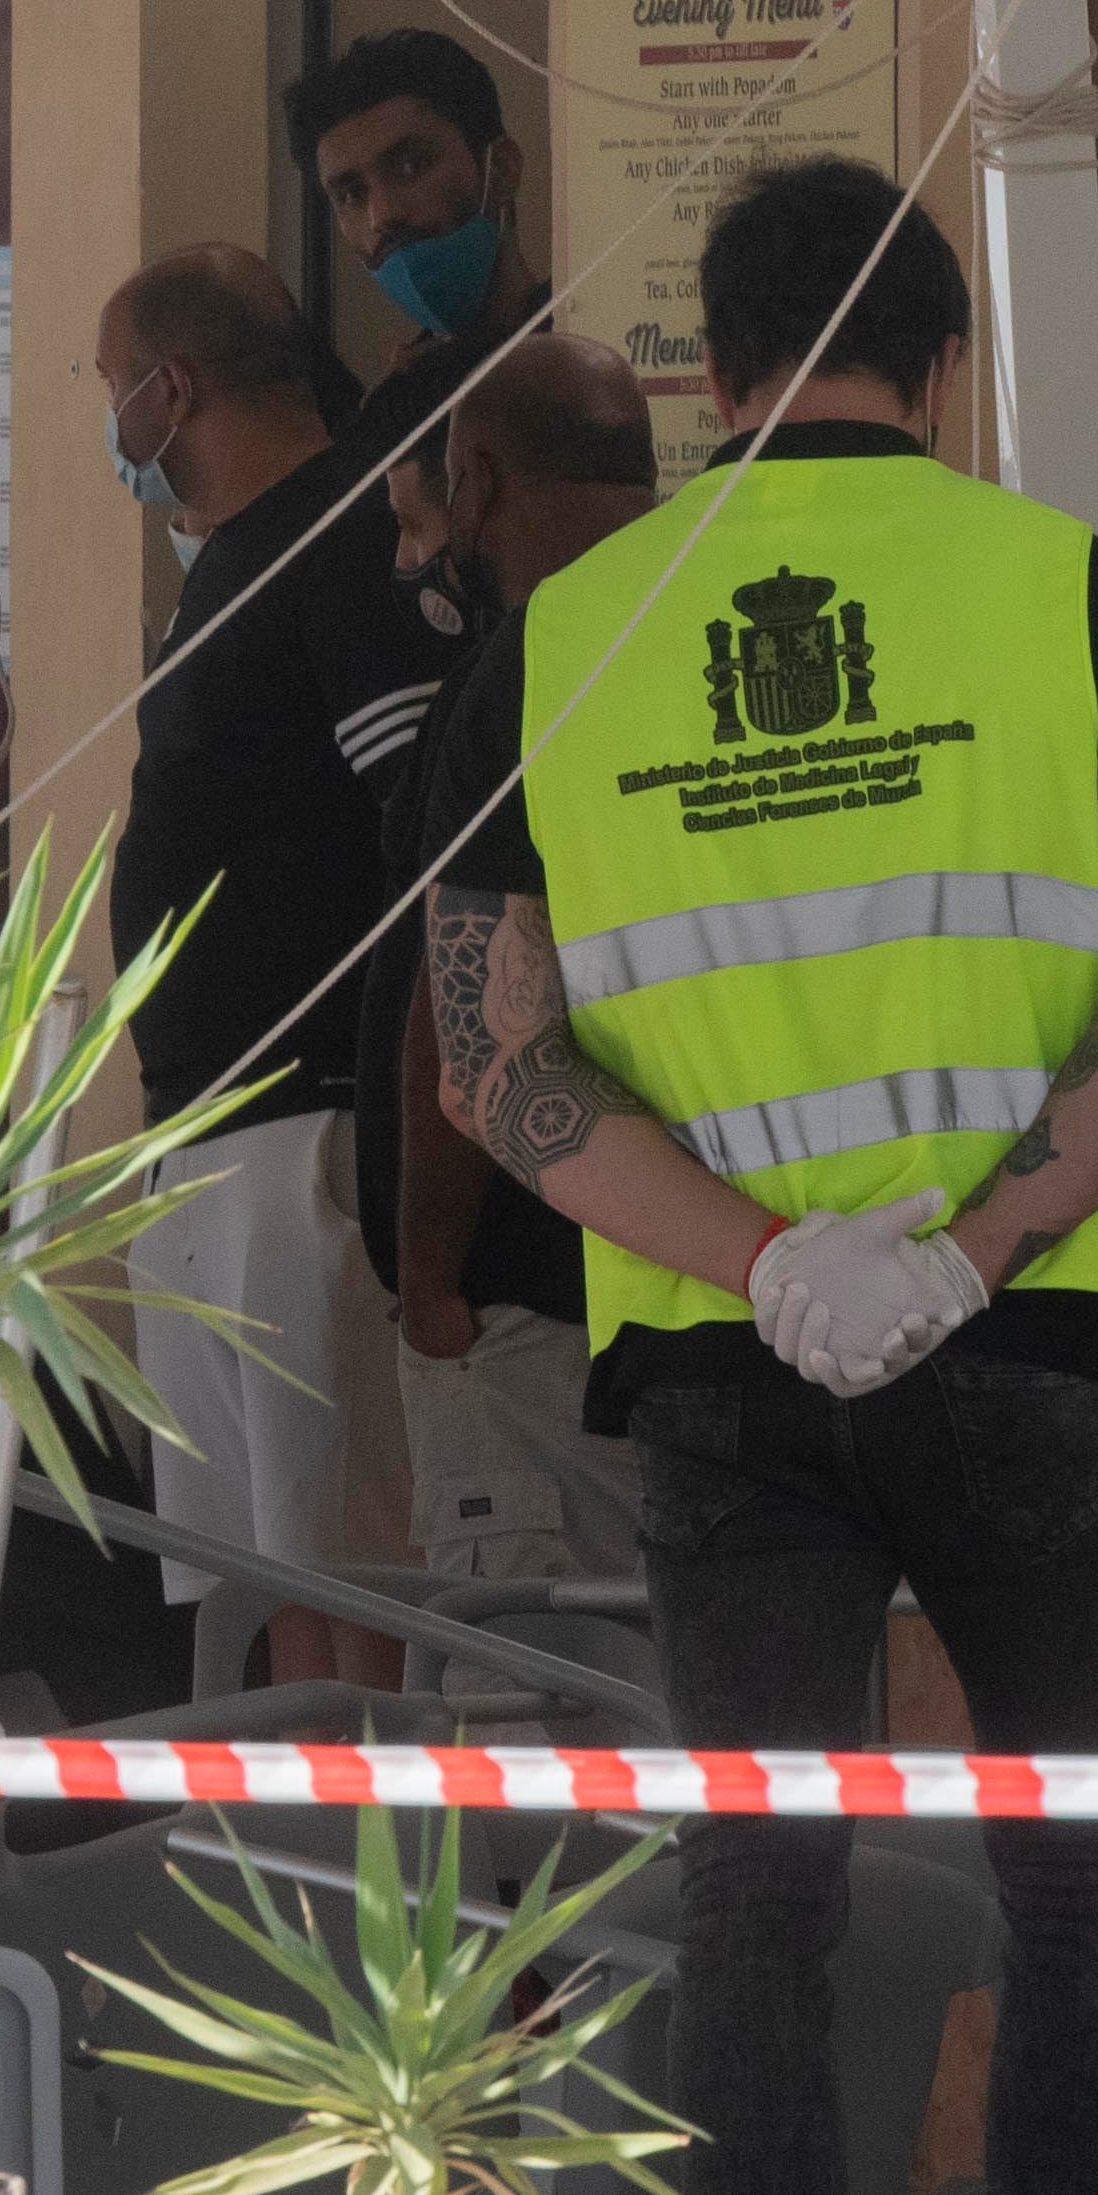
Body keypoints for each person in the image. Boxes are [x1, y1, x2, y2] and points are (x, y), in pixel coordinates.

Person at [434, 156, 1098, 2195]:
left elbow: (490, 1057)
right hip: (1030, 1339)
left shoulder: (560, 631)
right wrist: (965, 1245)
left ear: (708, 373)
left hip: (724, 1364)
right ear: (948, 362)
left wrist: (771, 1263)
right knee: (1078, 1883)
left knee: (756, 1895)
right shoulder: (1072, 593)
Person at [100, 240, 446, 1669]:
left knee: (354, 1578)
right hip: (211, 1135)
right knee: (262, 1587)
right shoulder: (233, 561)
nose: (117, 430)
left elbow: (425, 834)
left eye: (114, 393)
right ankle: (295, 1812)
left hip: (311, 1136)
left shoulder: (340, 539)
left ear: (168, 389)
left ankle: (371, 1820)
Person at [357, 338, 668, 1596]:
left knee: (525, 1679)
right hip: (681, 1274)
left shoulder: (524, 665)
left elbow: (467, 1008)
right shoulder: (685, 637)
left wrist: (430, 1281)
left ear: (475, 482)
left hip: (519, 1304)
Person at [287, 26, 550, 469]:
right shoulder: (384, 420)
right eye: (351, 194)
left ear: (502, 170)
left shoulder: (599, 347)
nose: (382, 215)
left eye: (411, 166)